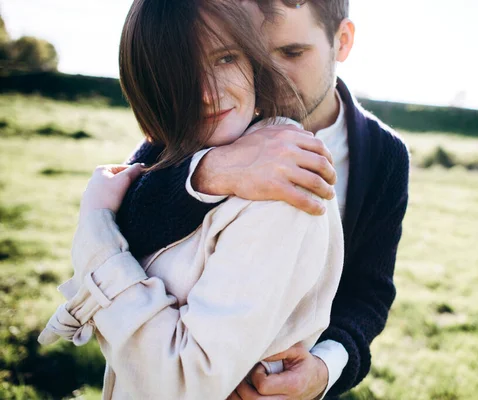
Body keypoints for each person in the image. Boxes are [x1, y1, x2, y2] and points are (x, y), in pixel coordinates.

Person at [38, 0, 345, 399]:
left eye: (225, 58)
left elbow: (186, 381)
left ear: (254, 61)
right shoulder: (169, 157)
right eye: (178, 73)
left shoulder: (282, 188)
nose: (206, 93)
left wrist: (96, 230)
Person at [117, 1, 411, 399]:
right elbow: (127, 214)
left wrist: (324, 370)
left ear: (342, 42)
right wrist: (211, 171)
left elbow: (369, 292)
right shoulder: (218, 116)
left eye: (291, 52)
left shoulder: (383, 156)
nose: (269, 73)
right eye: (250, 51)